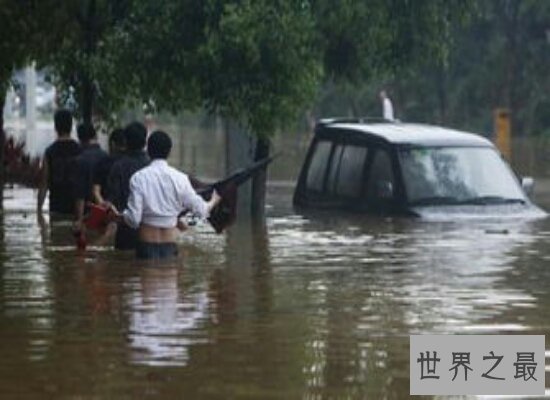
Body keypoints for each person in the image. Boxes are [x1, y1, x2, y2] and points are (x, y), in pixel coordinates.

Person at [111, 130, 221, 260]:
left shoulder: (138, 178)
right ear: (169, 152)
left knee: (145, 277)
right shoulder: (181, 179)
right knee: (168, 279)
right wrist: (214, 200)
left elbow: (134, 220)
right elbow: (202, 210)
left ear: (148, 150)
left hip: (146, 247)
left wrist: (118, 216)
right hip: (170, 248)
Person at [104, 122, 150, 250]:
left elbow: (111, 202)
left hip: (125, 232)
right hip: (151, 232)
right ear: (145, 142)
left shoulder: (118, 167)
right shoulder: (152, 166)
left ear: (126, 142)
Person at [37, 109, 81, 216]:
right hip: (76, 206)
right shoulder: (80, 150)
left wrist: (39, 210)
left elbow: (44, 183)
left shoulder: (50, 151)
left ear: (55, 127)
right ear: (71, 126)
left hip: (56, 206)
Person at [73, 123, 109, 232]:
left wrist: (78, 221)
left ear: (80, 139)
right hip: (106, 211)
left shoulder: (80, 160)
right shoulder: (106, 157)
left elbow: (80, 194)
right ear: (95, 136)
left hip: (88, 214)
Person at [92, 128, 126, 204]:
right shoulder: (131, 162)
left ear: (112, 143)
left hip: (108, 207)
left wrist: (104, 207)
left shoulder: (103, 162)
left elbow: (96, 191)